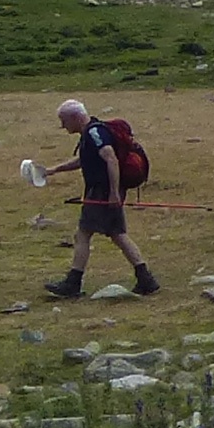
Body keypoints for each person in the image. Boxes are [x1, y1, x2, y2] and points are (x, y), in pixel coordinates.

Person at [45, 96, 160, 300]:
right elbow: (84, 160)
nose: (63, 126)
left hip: (102, 191)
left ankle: (73, 283)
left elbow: (110, 158)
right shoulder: (92, 132)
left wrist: (113, 193)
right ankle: (145, 279)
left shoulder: (94, 133)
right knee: (117, 234)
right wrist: (56, 169)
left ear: (75, 117)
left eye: (64, 121)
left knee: (84, 234)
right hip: (105, 190)